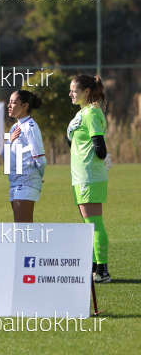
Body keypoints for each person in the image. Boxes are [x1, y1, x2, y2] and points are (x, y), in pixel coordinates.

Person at [67, 75, 111, 283]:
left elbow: (100, 148)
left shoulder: (92, 112)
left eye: (74, 90)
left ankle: (103, 271)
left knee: (94, 223)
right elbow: (75, 143)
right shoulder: (81, 113)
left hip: (89, 175)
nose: (70, 94)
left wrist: (103, 159)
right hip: (80, 175)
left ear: (86, 92)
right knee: (88, 224)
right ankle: (94, 268)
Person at [5, 90, 46, 223]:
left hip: (27, 182)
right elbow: (4, 156)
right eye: (9, 102)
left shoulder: (30, 127)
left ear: (25, 105)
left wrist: (38, 176)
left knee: (23, 227)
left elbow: (40, 159)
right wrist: (9, 140)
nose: (9, 105)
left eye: (13, 102)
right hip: (14, 182)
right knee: (21, 227)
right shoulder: (14, 127)